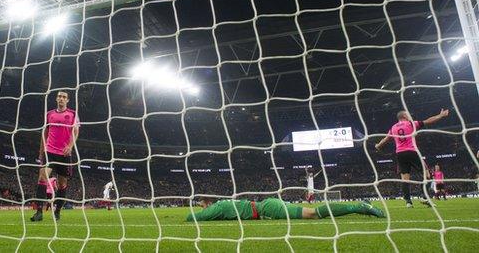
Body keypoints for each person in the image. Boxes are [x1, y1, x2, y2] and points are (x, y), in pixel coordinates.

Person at [375, 109, 449, 208]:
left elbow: (385, 140)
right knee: (427, 173)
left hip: (400, 154)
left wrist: (378, 146)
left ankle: (408, 202)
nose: (410, 115)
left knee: (405, 180)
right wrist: (440, 116)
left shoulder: (393, 128)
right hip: (412, 151)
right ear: (404, 116)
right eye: (408, 114)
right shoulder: (411, 124)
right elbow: (428, 121)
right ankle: (424, 197)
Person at [31, 91, 80, 222]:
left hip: (64, 154)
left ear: (67, 100)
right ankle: (39, 212)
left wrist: (70, 146)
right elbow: (45, 133)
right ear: (56, 99)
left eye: (64, 97)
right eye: (59, 96)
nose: (61, 99)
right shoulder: (49, 114)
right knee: (42, 177)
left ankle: (57, 211)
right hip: (50, 151)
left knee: (62, 183)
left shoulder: (73, 114)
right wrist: (41, 153)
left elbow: (76, 132)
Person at [185, 197, 384, 222]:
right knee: (311, 210)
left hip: (269, 210)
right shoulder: (223, 203)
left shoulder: (218, 208)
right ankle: (361, 205)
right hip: (268, 205)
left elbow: (193, 218)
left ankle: (360, 206)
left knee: (313, 213)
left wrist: (202, 209)